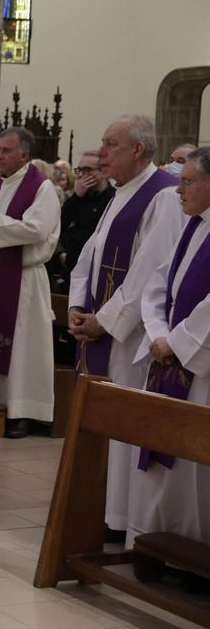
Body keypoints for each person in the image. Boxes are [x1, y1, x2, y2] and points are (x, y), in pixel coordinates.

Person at [69, 115, 182, 541]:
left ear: (137, 149)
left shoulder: (163, 197)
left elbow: (150, 274)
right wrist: (79, 306)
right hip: (100, 328)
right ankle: (99, 505)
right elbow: (89, 255)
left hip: (129, 338)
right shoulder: (120, 195)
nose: (102, 153)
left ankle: (117, 517)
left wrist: (104, 320)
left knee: (123, 422)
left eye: (110, 144)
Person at [126, 145, 210, 552]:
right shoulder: (193, 226)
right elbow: (160, 283)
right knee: (162, 452)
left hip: (200, 365)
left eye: (188, 181)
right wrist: (158, 332)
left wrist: (175, 342)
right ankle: (157, 540)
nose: (179, 189)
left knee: (191, 466)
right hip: (171, 354)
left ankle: (191, 551)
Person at [0, 127, 61, 439]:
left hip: (23, 280)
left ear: (24, 154)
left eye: (6, 151)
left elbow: (37, 229)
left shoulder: (42, 188)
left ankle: (22, 411)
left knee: (21, 350)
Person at [58, 151, 115, 277]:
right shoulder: (76, 198)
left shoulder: (113, 199)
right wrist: (76, 196)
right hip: (71, 268)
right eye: (79, 170)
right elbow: (58, 226)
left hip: (96, 269)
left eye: (88, 170)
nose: (82, 175)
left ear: (103, 172)